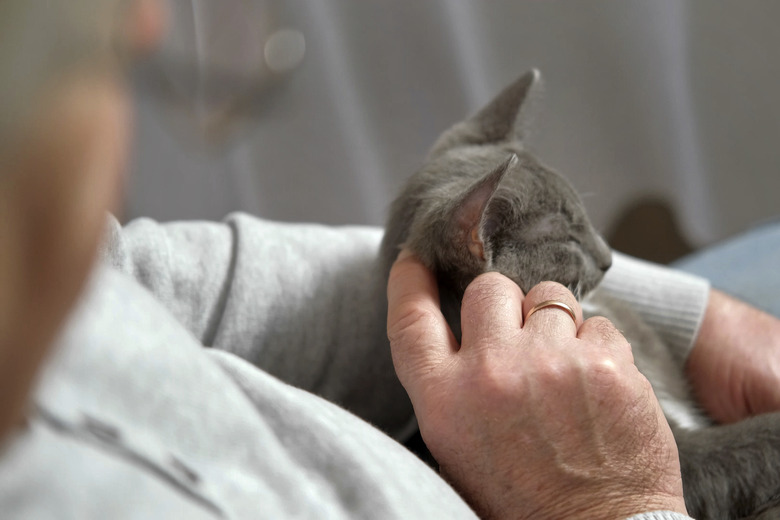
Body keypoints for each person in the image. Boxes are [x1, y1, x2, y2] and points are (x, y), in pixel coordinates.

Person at [1, 1, 780, 518]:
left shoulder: (57, 278)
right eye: (89, 55)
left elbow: (194, 281)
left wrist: (696, 316)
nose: (146, 21)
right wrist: (612, 499)